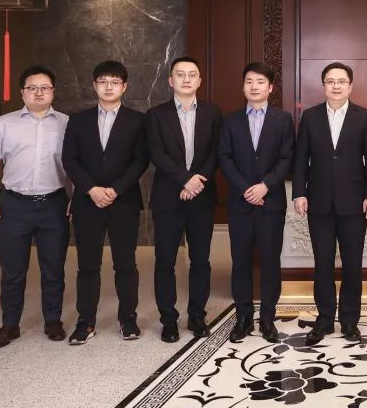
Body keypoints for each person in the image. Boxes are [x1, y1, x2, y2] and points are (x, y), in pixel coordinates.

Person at [0, 66, 70, 349]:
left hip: (54, 204)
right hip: (14, 205)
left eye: (45, 87)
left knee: (53, 268)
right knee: (12, 270)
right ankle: (10, 325)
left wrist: (76, 198)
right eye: (32, 88)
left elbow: (75, 165)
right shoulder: (5, 123)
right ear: (22, 92)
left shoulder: (67, 124)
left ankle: (53, 321)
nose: (39, 92)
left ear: (53, 91)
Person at [62, 60, 149, 345]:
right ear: (94, 85)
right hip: (88, 203)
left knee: (126, 264)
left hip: (124, 202)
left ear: (124, 87)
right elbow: (69, 159)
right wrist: (91, 189)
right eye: (103, 81)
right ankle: (85, 321)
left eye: (114, 82)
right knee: (87, 265)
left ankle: (128, 318)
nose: (108, 87)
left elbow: (140, 160)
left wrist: (115, 190)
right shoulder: (78, 120)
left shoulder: (138, 120)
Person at [293, 62, 367, 345]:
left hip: (354, 203)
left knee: (353, 265)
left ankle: (350, 321)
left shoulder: (364, 117)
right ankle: (325, 319)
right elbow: (301, 159)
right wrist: (299, 193)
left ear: (351, 86)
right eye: (331, 81)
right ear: (324, 86)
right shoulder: (310, 117)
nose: (336, 86)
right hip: (318, 202)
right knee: (323, 264)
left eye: (341, 81)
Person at [146, 57, 222, 343]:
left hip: (201, 197)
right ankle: (168, 319)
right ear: (170, 80)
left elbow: (217, 152)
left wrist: (197, 181)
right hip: (168, 198)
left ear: (199, 81)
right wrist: (185, 179)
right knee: (165, 261)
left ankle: (197, 315)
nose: (186, 79)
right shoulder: (156, 115)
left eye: (192, 75)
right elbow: (156, 153)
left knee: (200, 260)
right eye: (180, 74)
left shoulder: (213, 113)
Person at [219, 63, 294, 344]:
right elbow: (224, 158)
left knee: (271, 262)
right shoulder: (230, 120)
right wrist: (245, 189)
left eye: (260, 82)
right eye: (249, 81)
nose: (254, 86)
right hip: (240, 204)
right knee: (240, 262)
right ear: (243, 86)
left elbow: (288, 157)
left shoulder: (283, 119)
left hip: (271, 203)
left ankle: (268, 319)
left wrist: (265, 185)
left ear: (270, 87)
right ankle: (243, 318)